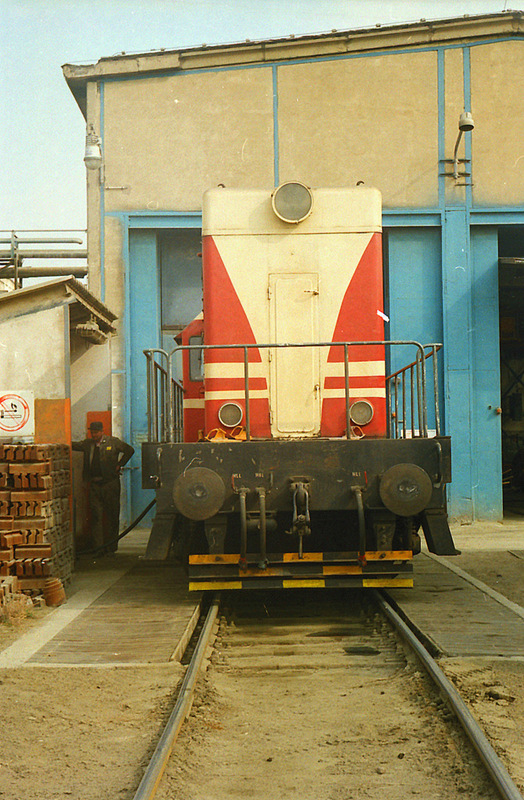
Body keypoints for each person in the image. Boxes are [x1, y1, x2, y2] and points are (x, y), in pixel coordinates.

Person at [73, 421, 135, 553]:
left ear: (102, 431)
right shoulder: (87, 444)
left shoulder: (113, 442)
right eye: (92, 433)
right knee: (96, 517)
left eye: (96, 432)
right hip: (95, 485)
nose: (94, 435)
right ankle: (98, 548)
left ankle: (112, 547)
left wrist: (120, 464)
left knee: (112, 516)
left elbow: (130, 450)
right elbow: (73, 445)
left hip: (110, 484)